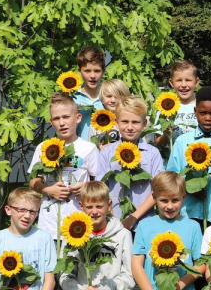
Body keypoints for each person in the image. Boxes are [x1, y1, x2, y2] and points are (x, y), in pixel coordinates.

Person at [28, 92, 106, 238]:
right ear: (51, 122)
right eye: (56, 119)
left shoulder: (89, 149)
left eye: (66, 117)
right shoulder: (43, 148)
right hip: (49, 223)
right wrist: (48, 190)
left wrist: (86, 187)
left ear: (78, 118)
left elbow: (100, 183)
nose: (62, 123)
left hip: (79, 221)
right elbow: (33, 181)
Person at [165, 86, 211, 227]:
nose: (207, 118)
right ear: (195, 112)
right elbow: (172, 177)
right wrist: (190, 188)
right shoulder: (182, 142)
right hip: (187, 212)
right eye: (202, 113)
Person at [98, 95, 165, 230]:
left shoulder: (152, 153)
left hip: (144, 221)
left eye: (135, 122)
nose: (130, 127)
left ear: (144, 124)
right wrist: (112, 217)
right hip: (113, 221)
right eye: (125, 122)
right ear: (116, 122)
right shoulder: (107, 153)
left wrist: (134, 216)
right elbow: (101, 189)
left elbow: (158, 190)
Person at [153, 59, 201, 144]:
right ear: (172, 83)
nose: (183, 85)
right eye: (179, 80)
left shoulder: (202, 107)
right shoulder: (164, 108)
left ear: (196, 82)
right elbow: (158, 142)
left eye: (188, 80)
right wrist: (166, 133)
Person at [72, 46, 106, 140]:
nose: (92, 76)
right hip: (80, 152)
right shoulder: (74, 98)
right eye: (87, 71)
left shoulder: (110, 98)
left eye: (97, 71)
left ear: (103, 72)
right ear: (80, 72)